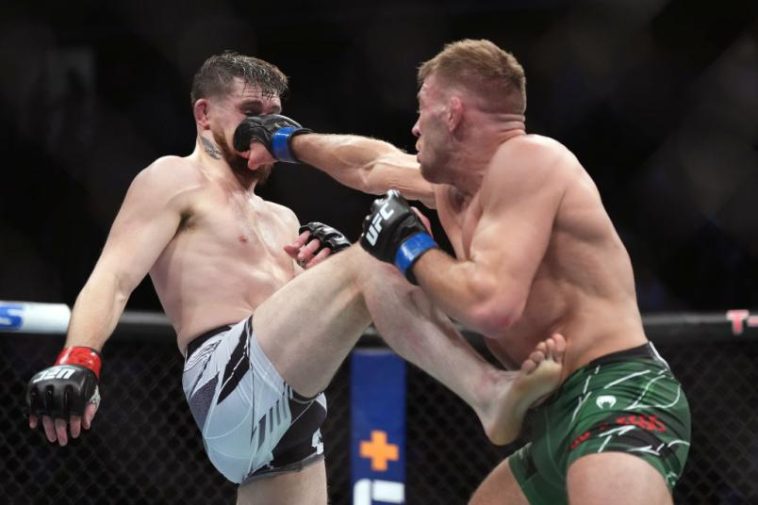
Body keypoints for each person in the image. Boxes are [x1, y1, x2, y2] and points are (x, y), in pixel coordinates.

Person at [25, 51, 565, 505]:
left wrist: (326, 274)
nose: (266, 128)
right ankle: (486, 390)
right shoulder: (174, 179)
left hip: (292, 417)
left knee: (371, 254)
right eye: (251, 112)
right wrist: (81, 357)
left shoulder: (281, 219)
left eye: (275, 115)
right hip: (225, 380)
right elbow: (114, 275)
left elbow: (302, 319)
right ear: (205, 114)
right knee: (381, 244)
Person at [235, 39, 692, 504]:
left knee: (387, 250)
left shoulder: (533, 161)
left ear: (452, 113)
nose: (413, 127)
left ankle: (493, 393)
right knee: (372, 264)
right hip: (553, 416)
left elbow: (492, 306)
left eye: (422, 110)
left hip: (619, 392)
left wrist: (410, 247)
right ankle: (488, 392)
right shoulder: (454, 189)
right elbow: (370, 163)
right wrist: (285, 141)